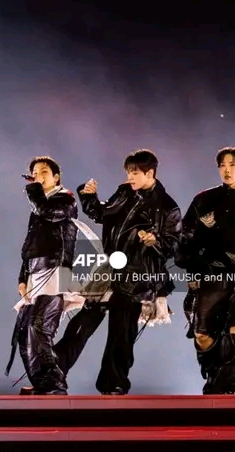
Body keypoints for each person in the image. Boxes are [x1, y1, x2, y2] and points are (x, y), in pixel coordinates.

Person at [62, 149, 182, 395]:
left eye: (135, 173)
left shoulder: (167, 207)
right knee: (83, 323)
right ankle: (52, 374)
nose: (130, 177)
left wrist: (155, 241)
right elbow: (102, 214)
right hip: (110, 269)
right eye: (128, 172)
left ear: (150, 173)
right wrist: (88, 197)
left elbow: (175, 245)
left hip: (138, 276)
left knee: (121, 333)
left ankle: (114, 385)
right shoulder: (125, 192)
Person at [176, 147, 235, 395]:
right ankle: (214, 381)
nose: (227, 170)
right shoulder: (204, 200)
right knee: (203, 335)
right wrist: (192, 269)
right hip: (207, 275)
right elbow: (186, 237)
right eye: (222, 165)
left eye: (232, 165)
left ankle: (227, 389)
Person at [5, 156, 83, 395]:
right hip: (36, 271)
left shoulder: (65, 199)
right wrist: (22, 277)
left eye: (44, 172)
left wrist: (34, 190)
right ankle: (43, 383)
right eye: (35, 172)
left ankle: (54, 384)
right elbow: (31, 244)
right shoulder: (39, 204)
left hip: (55, 270)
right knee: (25, 331)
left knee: (39, 327)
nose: (39, 176)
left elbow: (47, 212)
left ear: (56, 177)